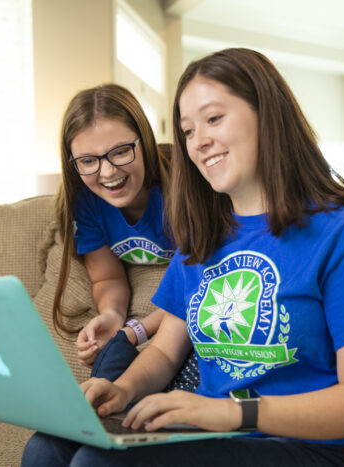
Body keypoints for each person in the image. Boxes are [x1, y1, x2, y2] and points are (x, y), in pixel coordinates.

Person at [23, 49, 344, 467]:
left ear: (267, 115)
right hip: (220, 436)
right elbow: (163, 353)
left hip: (324, 450)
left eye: (214, 119)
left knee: (98, 464)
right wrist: (122, 391)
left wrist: (231, 412)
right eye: (188, 130)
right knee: (47, 448)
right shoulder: (202, 237)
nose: (200, 141)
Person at [50, 84, 198, 385]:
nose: (107, 173)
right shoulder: (84, 204)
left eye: (120, 151)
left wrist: (137, 329)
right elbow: (108, 278)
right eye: (88, 161)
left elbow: (199, 282)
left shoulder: (184, 184)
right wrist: (111, 316)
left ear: (144, 140)